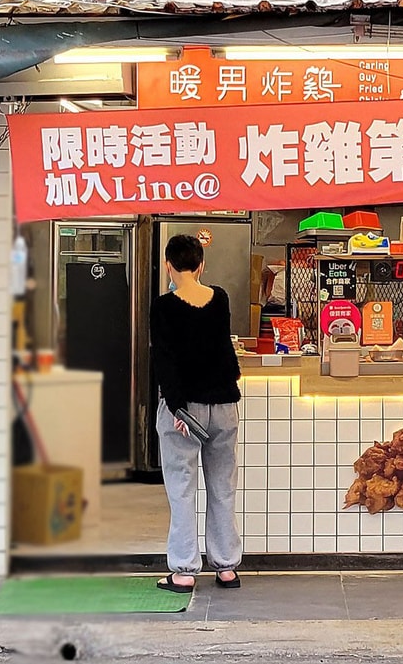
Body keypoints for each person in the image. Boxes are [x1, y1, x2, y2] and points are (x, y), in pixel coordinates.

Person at [150, 234, 242, 593]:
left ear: (168, 266)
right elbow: (223, 352)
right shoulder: (219, 298)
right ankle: (227, 567)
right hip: (223, 406)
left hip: (184, 411)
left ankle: (185, 570)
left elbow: (164, 361)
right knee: (222, 487)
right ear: (201, 265)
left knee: (182, 488)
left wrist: (175, 406)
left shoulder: (163, 306)